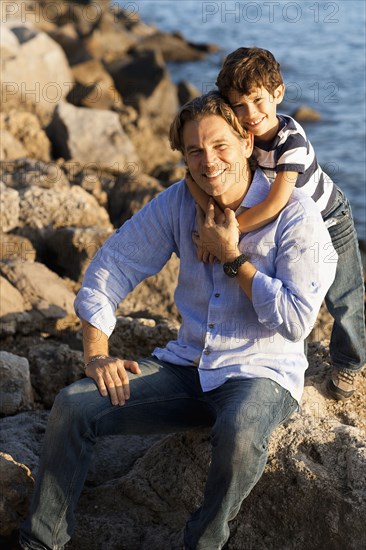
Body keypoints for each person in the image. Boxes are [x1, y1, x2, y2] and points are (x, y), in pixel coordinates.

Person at [20, 92, 337, 550]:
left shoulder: (296, 214)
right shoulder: (177, 204)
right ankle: (41, 542)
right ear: (184, 156)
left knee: (241, 432)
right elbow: (112, 266)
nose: (208, 162)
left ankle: (202, 544)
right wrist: (96, 355)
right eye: (195, 150)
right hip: (187, 366)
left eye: (220, 146)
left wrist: (233, 259)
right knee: (74, 405)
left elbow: (295, 321)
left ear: (248, 142)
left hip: (259, 371)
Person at [186, 47, 366, 401]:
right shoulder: (239, 135)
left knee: (345, 296)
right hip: (285, 226)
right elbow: (192, 179)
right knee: (286, 287)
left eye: (258, 100)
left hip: (329, 218)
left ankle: (350, 363)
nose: (250, 113)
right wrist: (206, 216)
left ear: (278, 93)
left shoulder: (290, 140)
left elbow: (276, 201)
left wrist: (226, 231)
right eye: (239, 105)